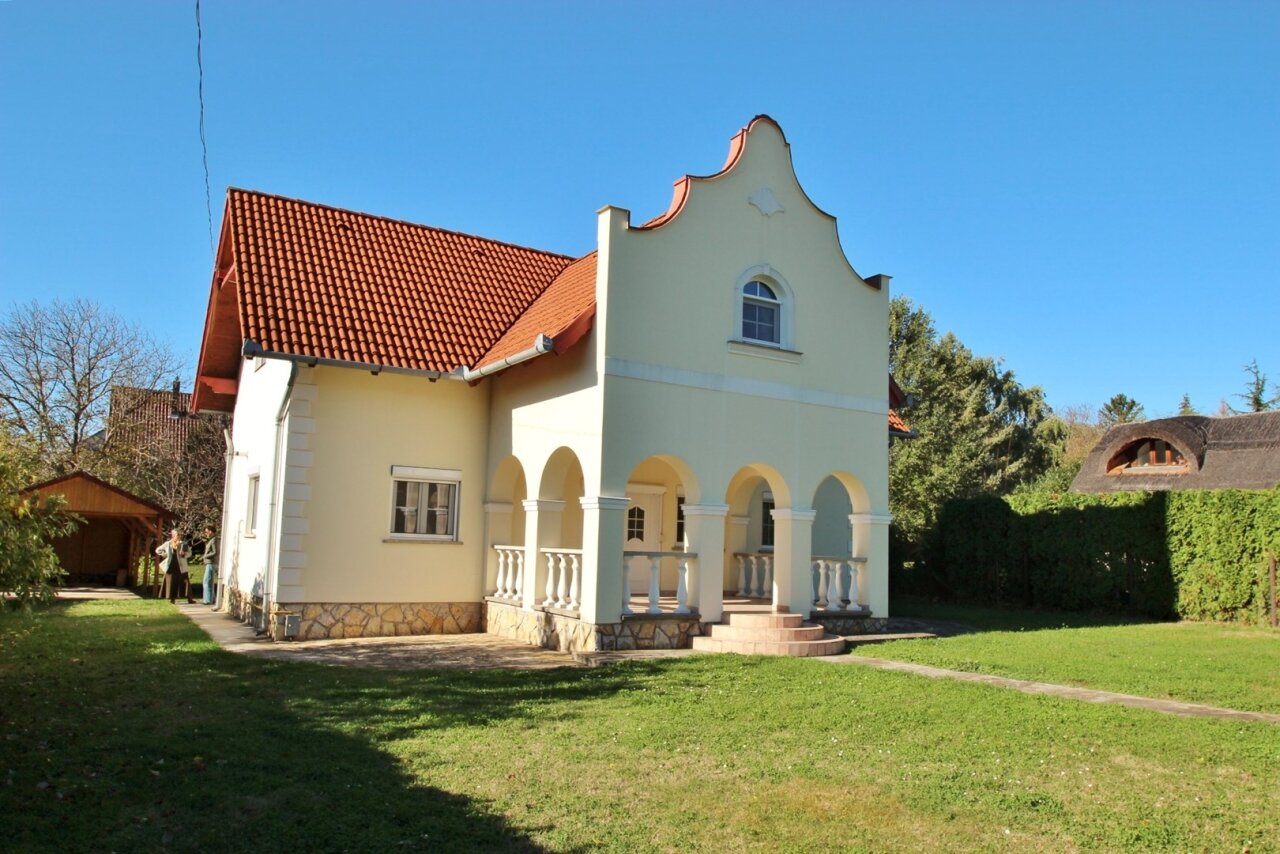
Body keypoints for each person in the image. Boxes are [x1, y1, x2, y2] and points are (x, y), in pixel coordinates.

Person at [156, 528, 193, 604]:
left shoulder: (184, 543)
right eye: (177, 534)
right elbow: (157, 550)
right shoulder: (168, 543)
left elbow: (190, 553)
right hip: (171, 565)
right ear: (173, 535)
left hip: (181, 566)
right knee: (172, 582)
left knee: (185, 582)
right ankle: (172, 599)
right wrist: (165, 554)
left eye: (180, 535)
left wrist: (184, 554)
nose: (179, 536)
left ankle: (189, 598)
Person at [201, 526, 218, 606]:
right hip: (209, 563)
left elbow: (215, 552)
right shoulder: (211, 540)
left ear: (211, 531)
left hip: (211, 563)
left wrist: (205, 556)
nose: (206, 533)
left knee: (207, 581)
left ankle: (208, 600)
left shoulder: (214, 540)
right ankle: (211, 598)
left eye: (207, 531)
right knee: (207, 581)